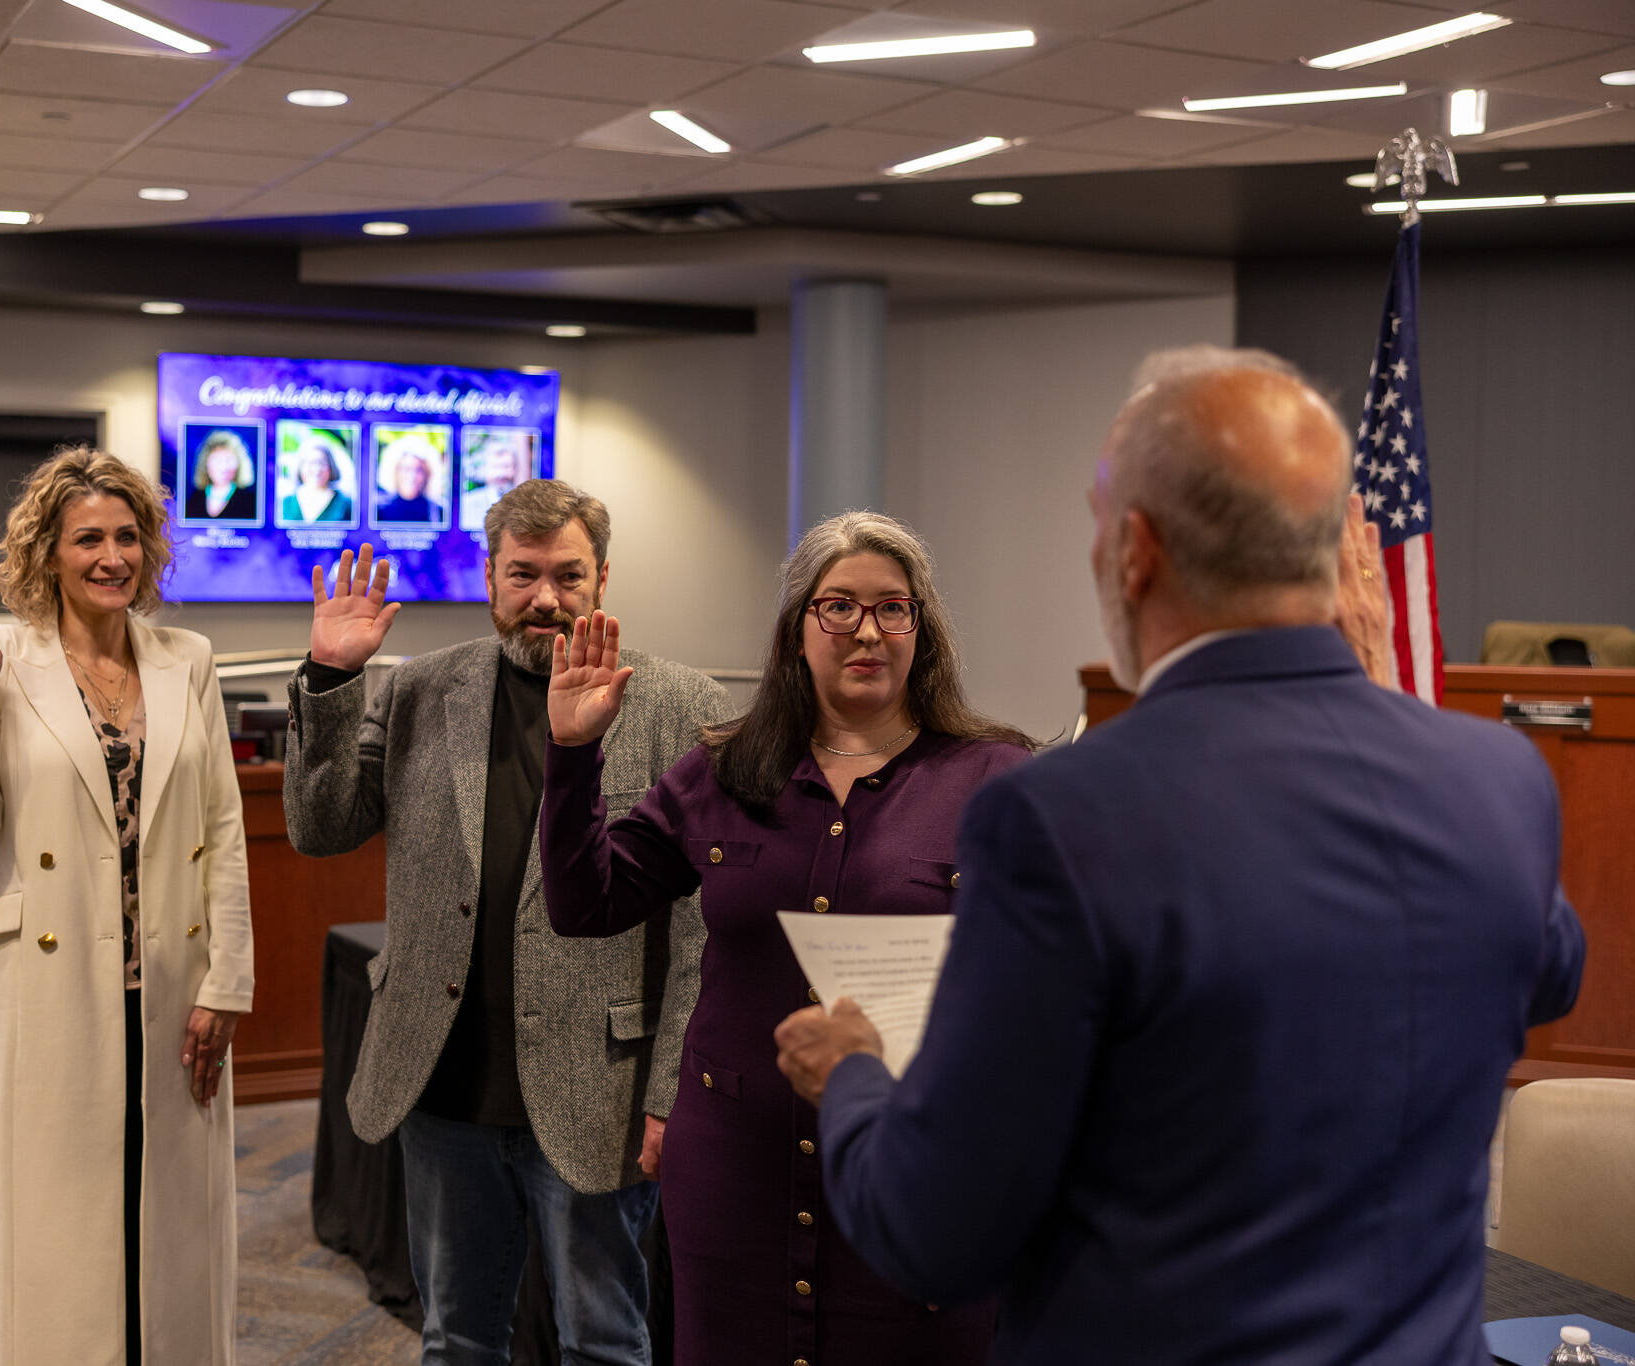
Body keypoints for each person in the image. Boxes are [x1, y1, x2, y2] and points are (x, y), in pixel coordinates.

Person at [775, 347, 1588, 1366]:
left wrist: (852, 1079)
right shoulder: (1492, 777)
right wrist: (1380, 689)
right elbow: (1548, 970)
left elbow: (936, 1233)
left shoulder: (1059, 818)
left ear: (1135, 553)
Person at [537, 511, 1034, 1366]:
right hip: (734, 1177)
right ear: (797, 629)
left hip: (914, 1171)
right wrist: (574, 753)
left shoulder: (996, 779)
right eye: (837, 606)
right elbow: (587, 903)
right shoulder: (726, 770)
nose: (866, 630)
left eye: (893, 607)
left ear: (924, 628)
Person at [283, 480, 728, 1365]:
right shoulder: (422, 690)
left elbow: (701, 933)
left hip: (598, 1090)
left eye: (569, 575)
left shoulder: (682, 707)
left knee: (604, 1342)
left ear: (605, 580)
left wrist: (673, 1092)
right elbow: (321, 826)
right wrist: (333, 677)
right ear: (489, 577)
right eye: (523, 575)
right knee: (457, 1340)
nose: (547, 600)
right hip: (444, 1090)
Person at [0, 446, 252, 1366]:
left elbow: (223, 827)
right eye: (88, 540)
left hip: (172, 986)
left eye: (128, 536)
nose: (112, 556)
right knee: (56, 1231)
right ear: (47, 554)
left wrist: (230, 979)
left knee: (172, 1221)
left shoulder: (187, 659)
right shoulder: (3, 660)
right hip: (44, 988)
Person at [458, 431, 529, 533]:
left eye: (507, 467)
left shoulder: (523, 504)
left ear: (515, 469)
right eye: (496, 467)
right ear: (484, 470)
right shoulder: (467, 502)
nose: (501, 474)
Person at [278, 432, 356, 525]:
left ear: (331, 466)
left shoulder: (346, 504)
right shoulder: (285, 503)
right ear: (300, 466)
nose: (316, 469)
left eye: (322, 463)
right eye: (310, 463)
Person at [184, 429, 258, 522]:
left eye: (228, 460)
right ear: (206, 463)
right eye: (217, 460)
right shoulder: (193, 499)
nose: (223, 467)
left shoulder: (250, 501)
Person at [373, 436, 445, 525]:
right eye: (406, 469)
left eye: (419, 470)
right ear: (395, 472)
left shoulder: (438, 511)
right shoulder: (379, 509)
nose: (412, 476)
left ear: (427, 474)